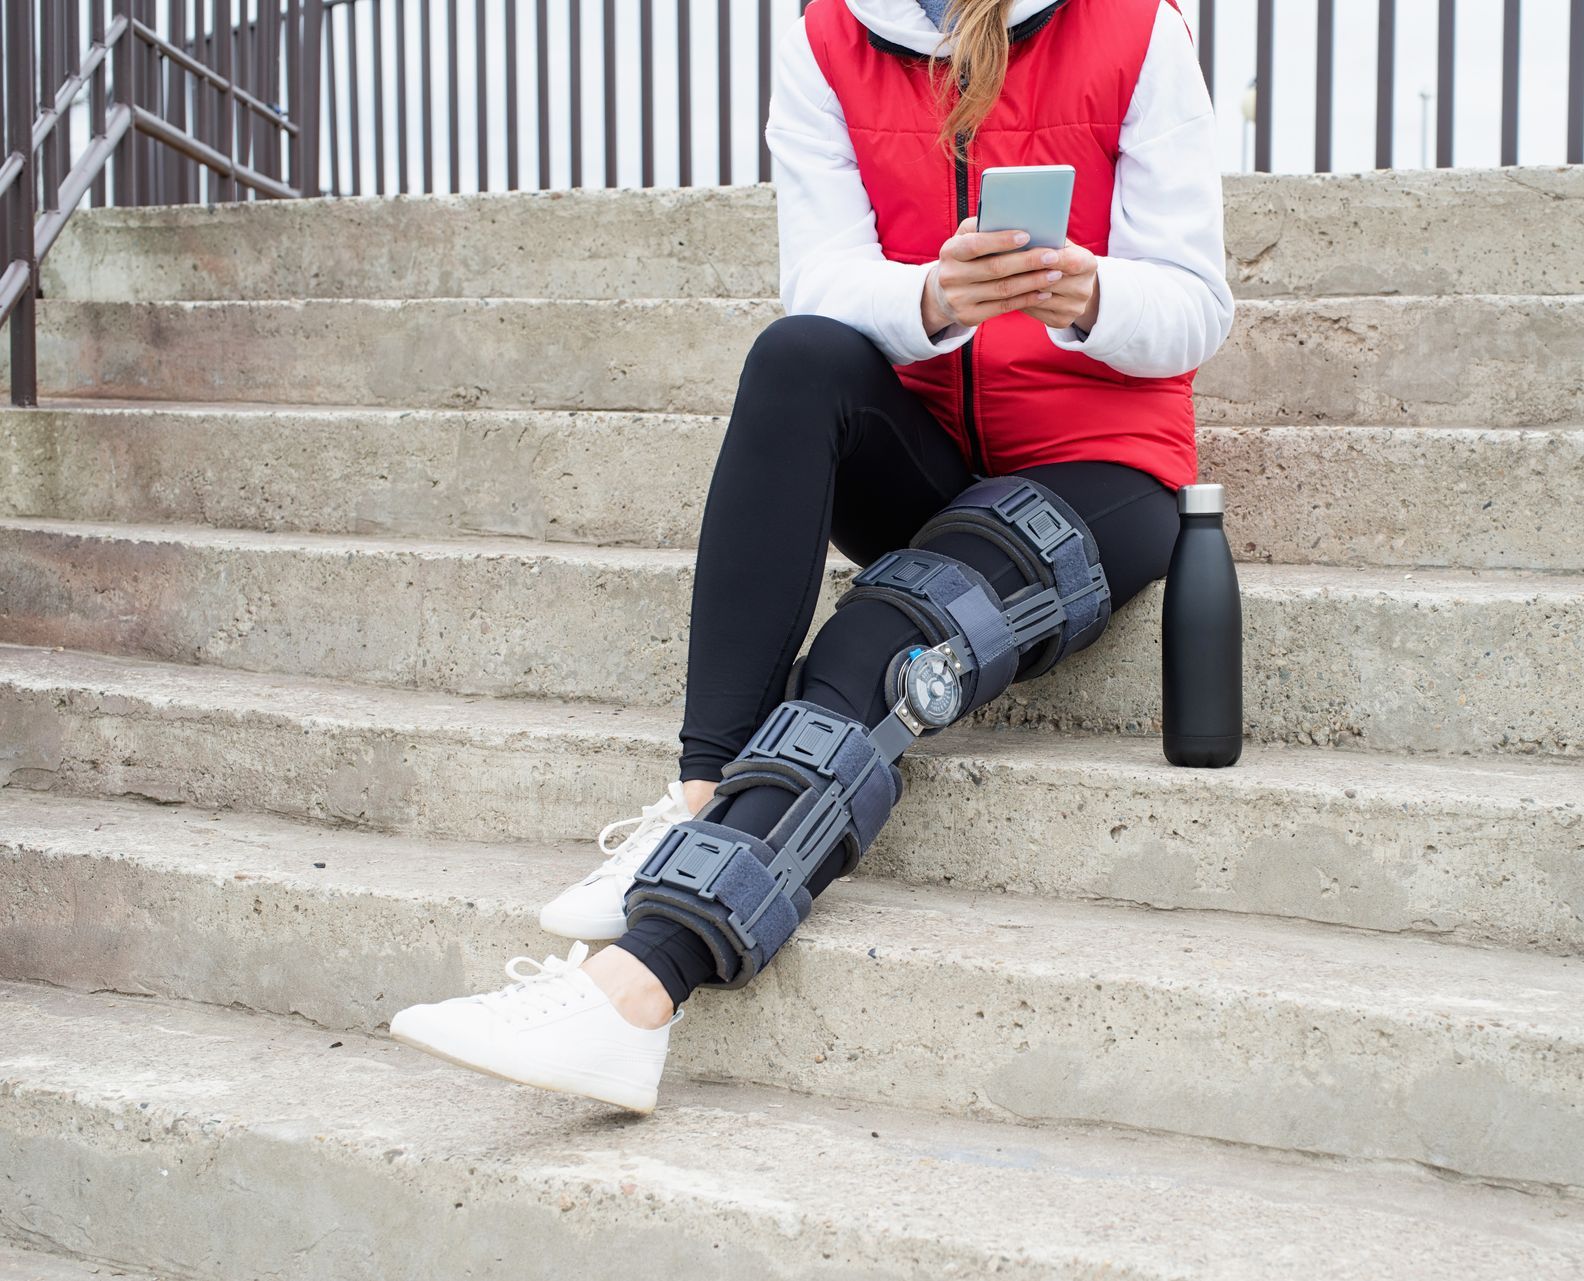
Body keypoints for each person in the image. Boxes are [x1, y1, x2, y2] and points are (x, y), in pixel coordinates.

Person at [390, 0, 1232, 1112]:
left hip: (1100, 469)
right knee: (795, 357)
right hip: (928, 458)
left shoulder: (1131, 29)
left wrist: (1090, 295)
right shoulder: (829, 34)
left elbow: (1199, 306)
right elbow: (821, 279)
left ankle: (640, 985)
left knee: (887, 633)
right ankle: (702, 793)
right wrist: (930, 296)